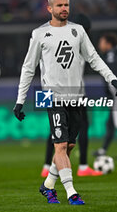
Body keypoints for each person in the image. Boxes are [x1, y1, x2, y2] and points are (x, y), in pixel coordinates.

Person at [13, 0, 117, 205]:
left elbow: (94, 58)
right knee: (60, 146)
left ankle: (48, 186)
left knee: (69, 146)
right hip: (51, 96)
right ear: (49, 8)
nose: (64, 9)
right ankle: (72, 193)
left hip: (76, 96)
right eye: (60, 5)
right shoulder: (39, 34)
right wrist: (20, 100)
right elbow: (28, 68)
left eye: (66, 5)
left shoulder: (78, 31)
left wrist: (112, 78)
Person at [40, 13, 102, 178]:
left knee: (54, 129)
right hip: (71, 92)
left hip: (48, 89)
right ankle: (82, 166)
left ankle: (47, 166)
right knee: (82, 126)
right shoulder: (78, 43)